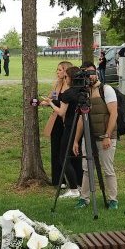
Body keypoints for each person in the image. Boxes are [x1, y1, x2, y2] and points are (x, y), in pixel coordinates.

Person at [70, 64, 119, 209]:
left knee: (108, 169)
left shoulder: (106, 90)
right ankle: (84, 199)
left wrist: (107, 136)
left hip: (105, 136)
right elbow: (81, 118)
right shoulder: (84, 93)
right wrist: (76, 140)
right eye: (85, 73)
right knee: (87, 169)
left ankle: (113, 200)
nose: (89, 76)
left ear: (96, 73)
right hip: (89, 137)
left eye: (91, 72)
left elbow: (114, 113)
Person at [43, 62, 82, 197]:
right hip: (78, 125)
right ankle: (74, 185)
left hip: (70, 126)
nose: (58, 73)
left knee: (65, 157)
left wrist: (51, 103)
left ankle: (74, 188)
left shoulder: (68, 93)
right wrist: (48, 101)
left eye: (61, 71)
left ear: (68, 75)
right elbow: (53, 97)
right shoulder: (81, 91)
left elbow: (61, 112)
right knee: (67, 154)